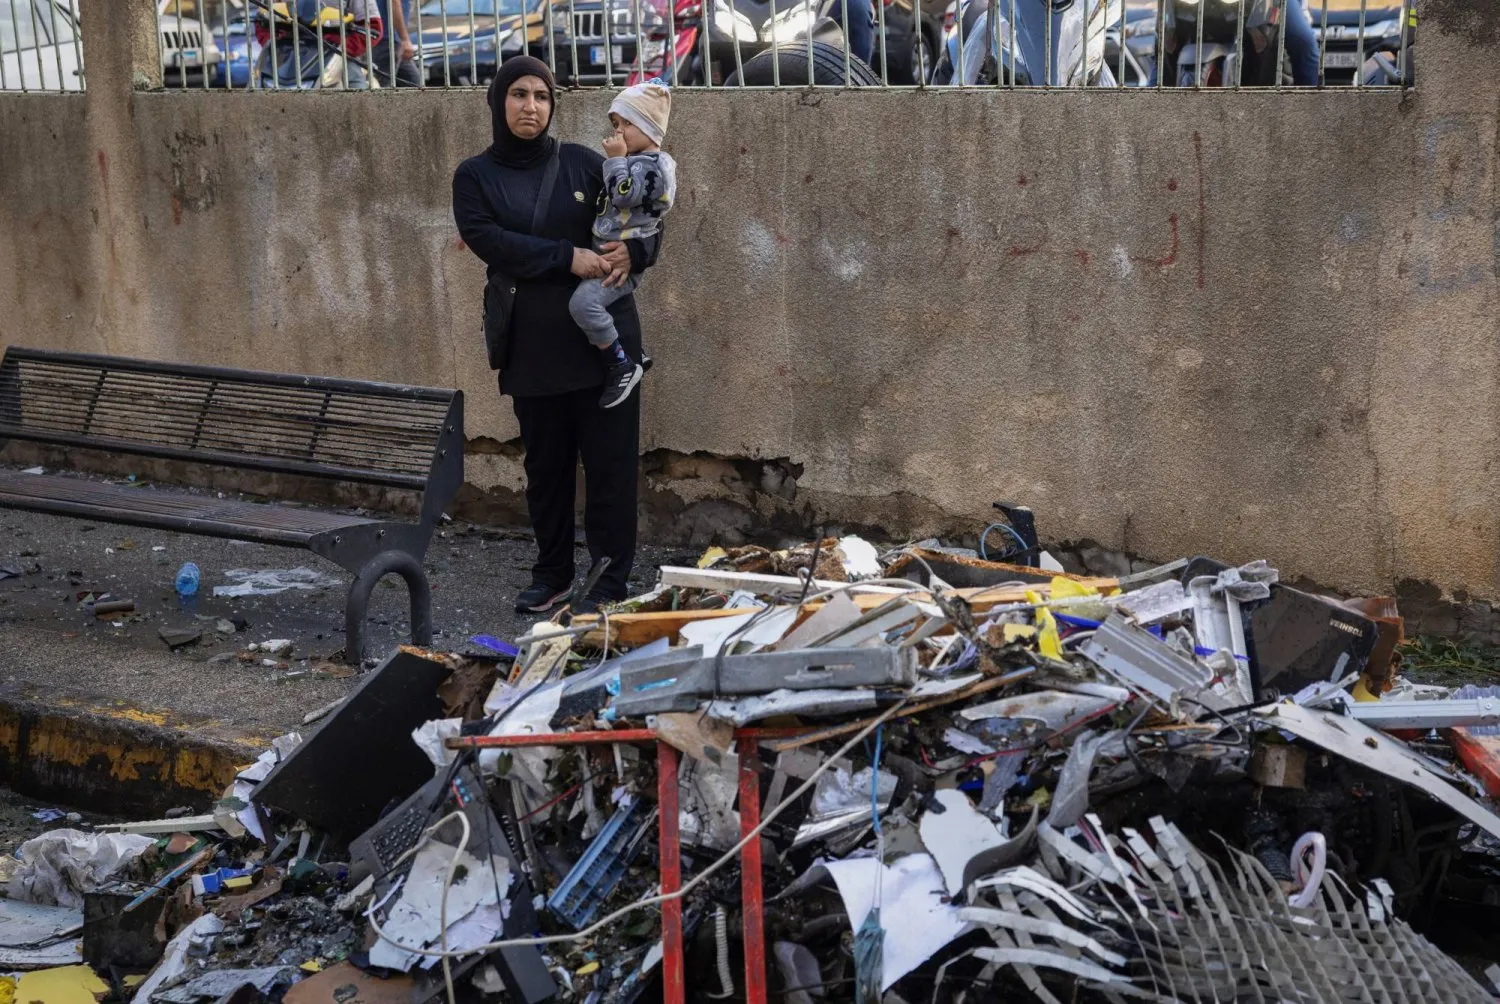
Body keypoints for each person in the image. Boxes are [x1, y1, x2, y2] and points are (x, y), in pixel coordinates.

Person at [452, 56, 659, 615]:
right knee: (546, 471)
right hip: (533, 345)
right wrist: (569, 257)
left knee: (612, 469)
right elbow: (490, 240)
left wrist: (636, 251)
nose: (530, 106)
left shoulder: (585, 163)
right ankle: (552, 576)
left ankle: (609, 582)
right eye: (518, 94)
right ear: (499, 103)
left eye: (541, 96)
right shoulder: (475, 177)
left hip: (604, 346)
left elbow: (640, 212)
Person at [568, 81, 676, 410]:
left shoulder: (653, 166)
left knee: (582, 306)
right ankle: (632, 353)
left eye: (625, 124)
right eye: (615, 125)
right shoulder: (640, 162)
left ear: (647, 126)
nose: (618, 133)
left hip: (619, 265)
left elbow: (623, 194)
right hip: (610, 256)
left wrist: (615, 160)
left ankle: (620, 365)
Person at [371, 0, 420, 87]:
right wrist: (405, 39)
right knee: (382, 88)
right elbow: (394, 2)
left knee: (414, 83)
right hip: (387, 41)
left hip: (393, 41)